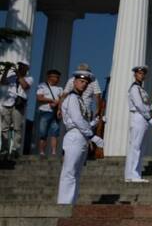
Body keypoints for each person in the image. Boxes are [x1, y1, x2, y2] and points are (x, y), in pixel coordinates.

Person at [58, 68, 103, 204]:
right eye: (81, 81)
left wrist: (96, 121)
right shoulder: (71, 98)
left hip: (82, 136)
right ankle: (64, 203)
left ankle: (71, 202)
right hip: (75, 135)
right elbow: (77, 120)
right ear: (75, 82)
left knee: (76, 174)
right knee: (69, 172)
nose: (84, 84)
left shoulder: (80, 100)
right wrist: (92, 137)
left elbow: (84, 121)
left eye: (86, 82)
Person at [126, 65, 152, 182]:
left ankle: (135, 174)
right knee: (136, 147)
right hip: (139, 117)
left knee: (140, 147)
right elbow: (139, 105)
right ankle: (132, 174)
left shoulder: (141, 89)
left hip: (143, 117)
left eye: (143, 73)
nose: (141, 75)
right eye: (139, 73)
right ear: (135, 74)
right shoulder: (134, 88)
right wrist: (150, 118)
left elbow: (144, 105)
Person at [0, 60, 33, 157]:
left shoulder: (29, 78)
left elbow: (25, 86)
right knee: (4, 128)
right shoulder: (12, 76)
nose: (19, 67)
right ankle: (4, 149)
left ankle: (15, 149)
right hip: (8, 103)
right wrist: (6, 70)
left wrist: (18, 74)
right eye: (19, 65)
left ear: (27, 68)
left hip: (18, 105)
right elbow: (2, 82)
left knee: (17, 128)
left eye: (22, 66)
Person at [35, 69, 63, 156]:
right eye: (56, 77)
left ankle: (54, 152)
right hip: (44, 111)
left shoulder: (59, 88)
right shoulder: (42, 86)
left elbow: (62, 100)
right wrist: (51, 100)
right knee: (43, 132)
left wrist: (59, 108)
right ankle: (42, 152)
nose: (57, 79)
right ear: (49, 77)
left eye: (58, 77)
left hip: (55, 113)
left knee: (55, 133)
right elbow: (39, 98)